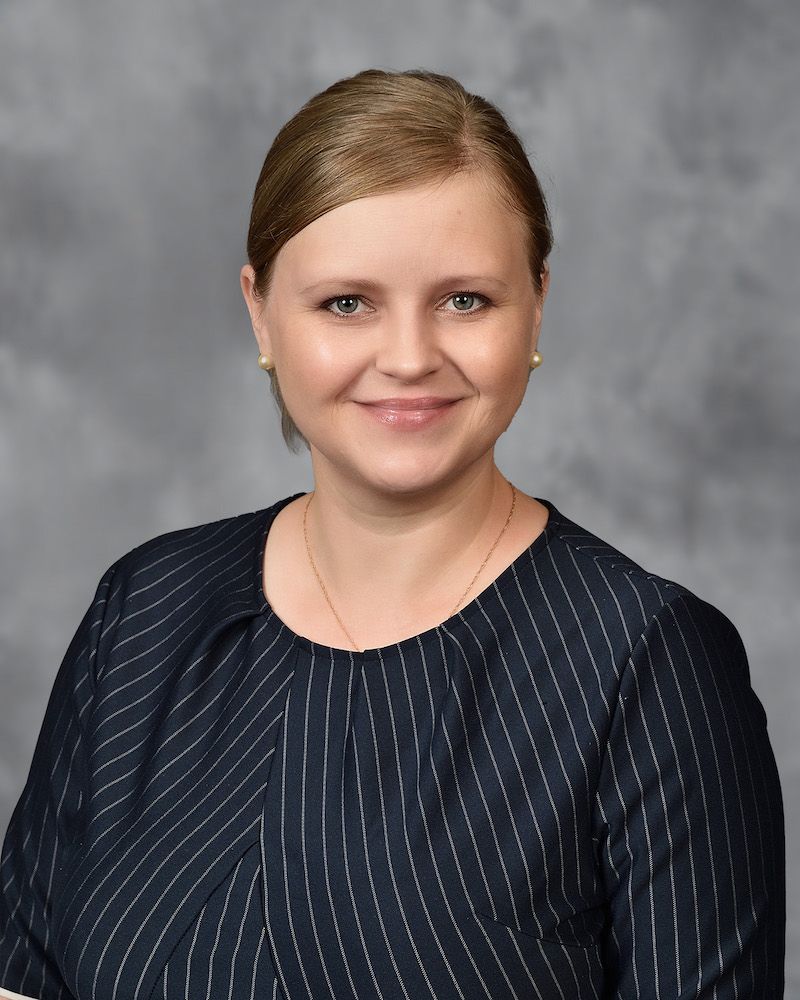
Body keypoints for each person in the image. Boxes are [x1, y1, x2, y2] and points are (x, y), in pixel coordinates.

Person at [0, 68, 784, 1000]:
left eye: (465, 300)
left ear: (537, 303)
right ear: (260, 312)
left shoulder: (648, 662)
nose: (409, 358)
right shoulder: (144, 610)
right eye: (347, 303)